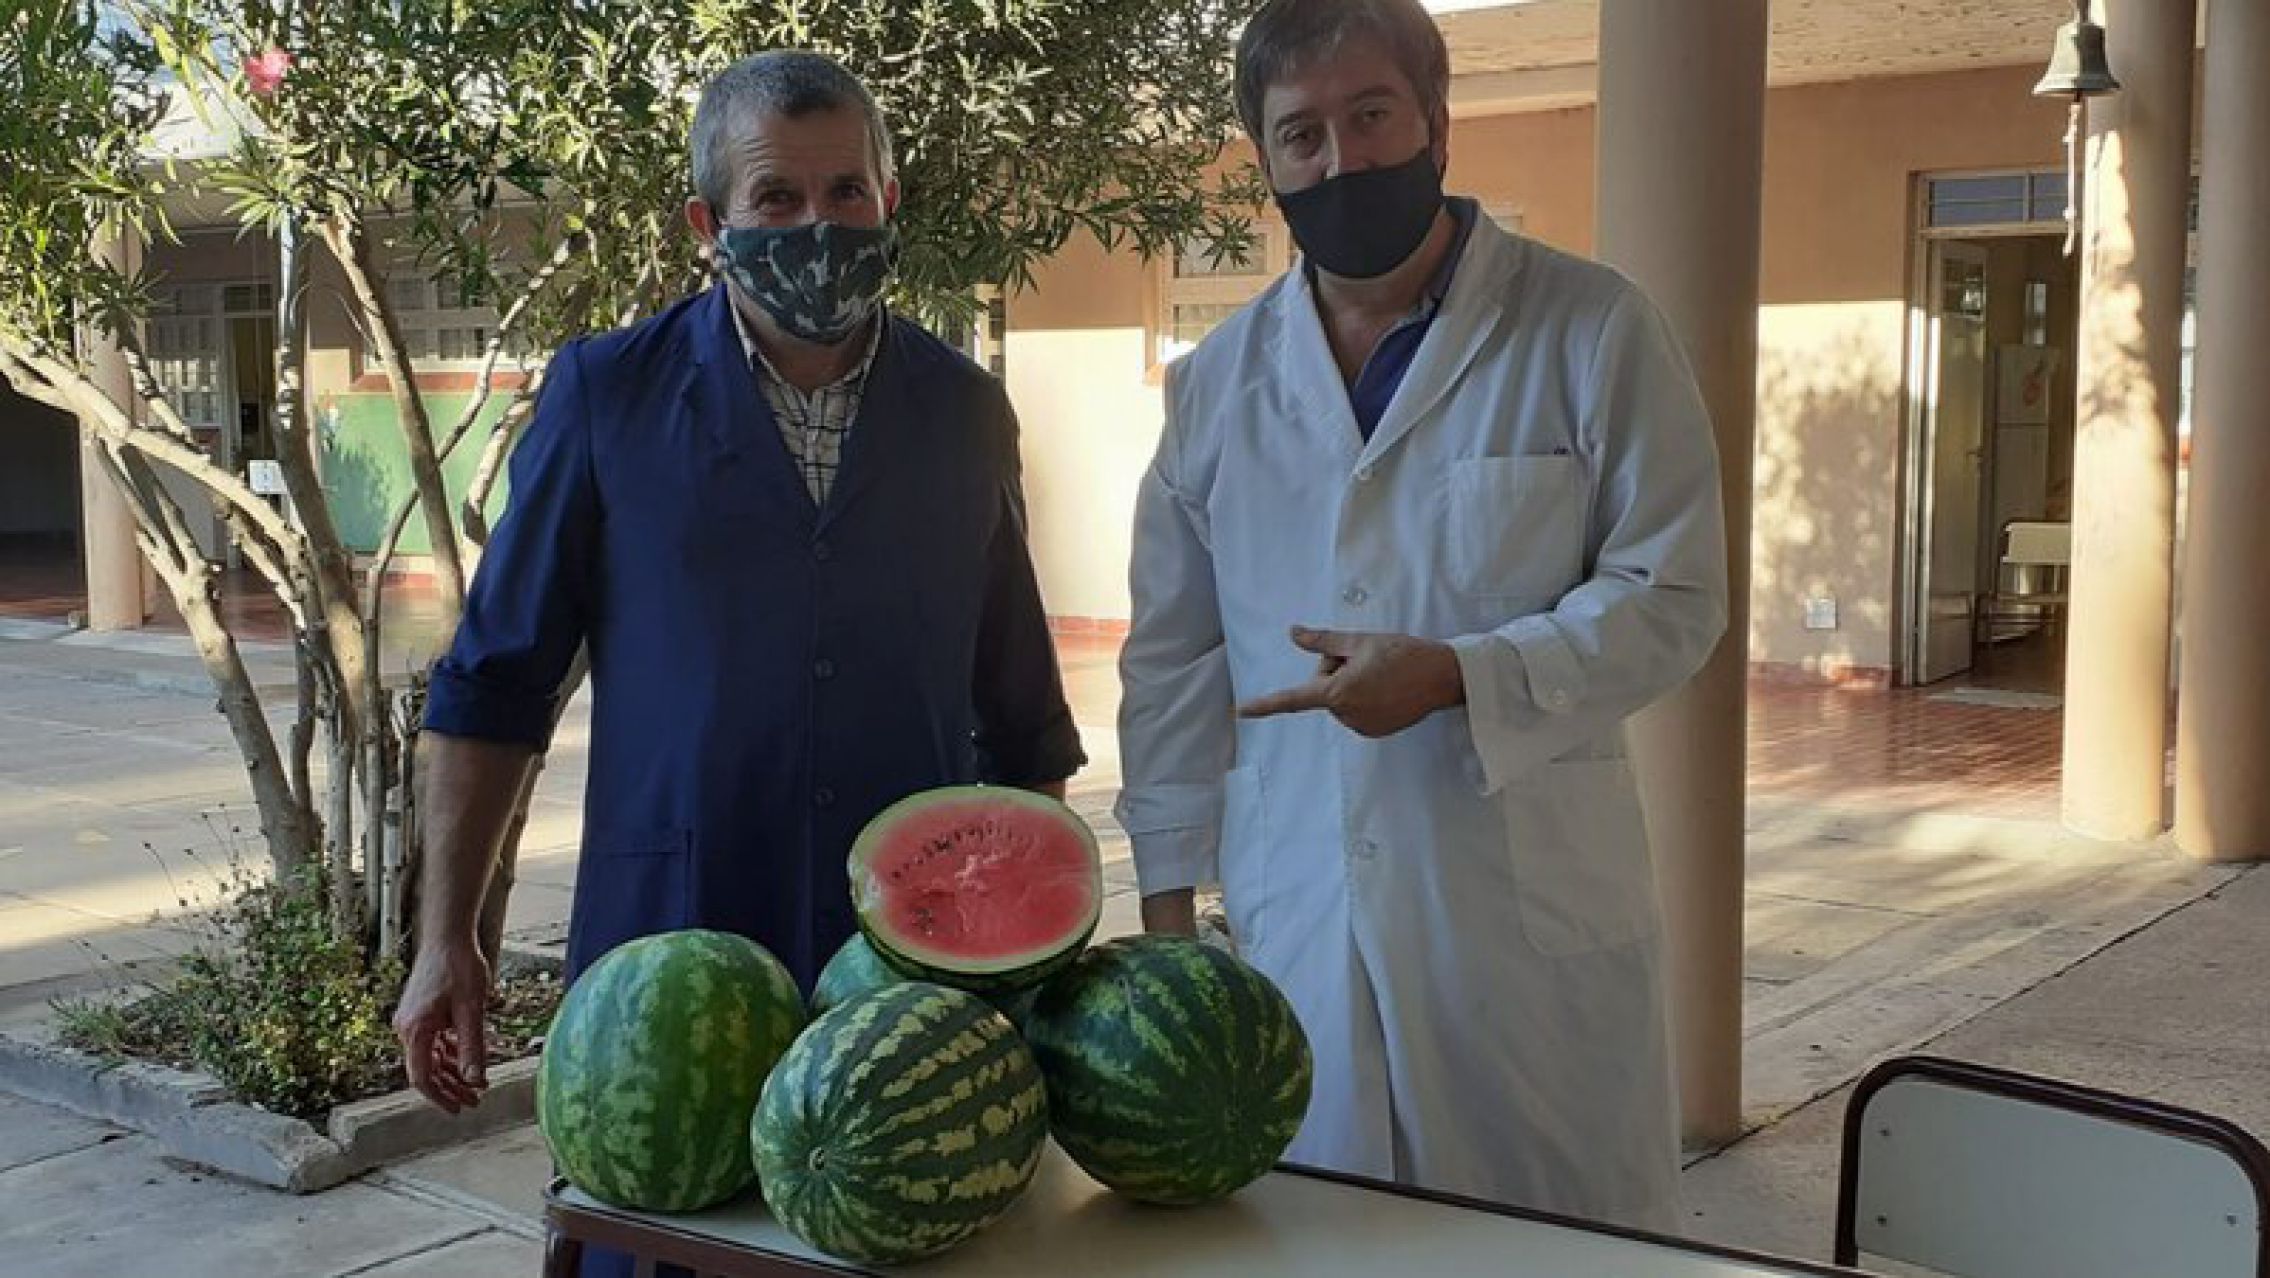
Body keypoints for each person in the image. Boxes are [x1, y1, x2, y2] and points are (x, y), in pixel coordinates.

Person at [1115, 0, 1728, 1232]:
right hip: (1299, 903)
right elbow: (1172, 659)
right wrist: (1169, 919)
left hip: (1516, 930)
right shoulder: (1214, 387)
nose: (1339, 159)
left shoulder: (1590, 329)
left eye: (1370, 115)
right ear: (1266, 159)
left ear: (1436, 125)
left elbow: (1671, 594)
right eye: (1300, 134)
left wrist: (1459, 674)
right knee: (1322, 1234)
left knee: (1545, 1245)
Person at [394, 49, 1083, 1133]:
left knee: (889, 1198)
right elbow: (493, 685)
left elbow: (1022, 715)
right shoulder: (606, 396)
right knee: (660, 1205)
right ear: (707, 226)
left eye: (845, 191)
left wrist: (1031, 948)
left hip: (912, 972)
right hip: (663, 958)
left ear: (889, 200)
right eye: (775, 197)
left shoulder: (964, 411)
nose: (818, 224)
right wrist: (446, 938)